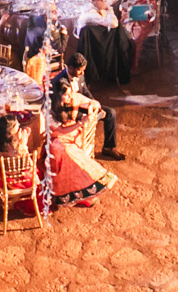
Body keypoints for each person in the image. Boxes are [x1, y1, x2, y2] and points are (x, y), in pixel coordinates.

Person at [46, 79, 118, 207]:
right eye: (66, 95)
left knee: (66, 152)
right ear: (58, 96)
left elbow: (95, 103)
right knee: (59, 151)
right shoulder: (49, 110)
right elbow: (60, 130)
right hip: (58, 136)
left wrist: (90, 108)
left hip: (74, 134)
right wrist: (81, 122)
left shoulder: (73, 97)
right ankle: (68, 192)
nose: (70, 97)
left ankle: (89, 184)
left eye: (70, 94)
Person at [49, 52, 124, 159]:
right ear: (70, 68)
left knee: (110, 113)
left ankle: (109, 147)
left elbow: (85, 91)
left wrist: (96, 106)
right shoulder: (59, 83)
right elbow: (58, 107)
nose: (83, 73)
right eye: (80, 70)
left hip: (81, 105)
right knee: (89, 119)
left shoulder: (79, 75)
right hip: (67, 111)